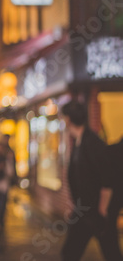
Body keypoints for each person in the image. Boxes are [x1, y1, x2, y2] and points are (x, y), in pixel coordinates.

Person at [60, 100, 122, 261]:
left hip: (94, 212)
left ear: (68, 119)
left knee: (108, 252)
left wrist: (102, 210)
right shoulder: (80, 141)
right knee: (108, 252)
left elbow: (106, 180)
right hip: (85, 210)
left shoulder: (92, 143)